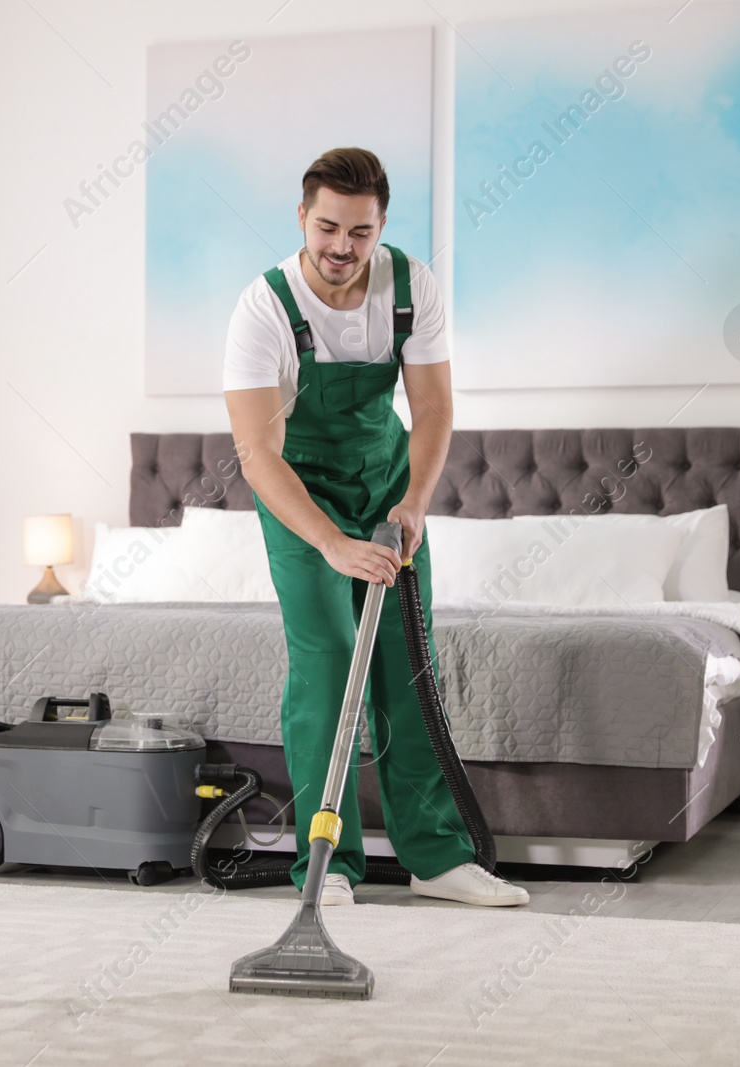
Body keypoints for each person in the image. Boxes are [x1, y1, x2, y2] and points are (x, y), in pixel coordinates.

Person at [223, 148, 527, 907]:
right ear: (303, 218)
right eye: (328, 227)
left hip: (388, 483)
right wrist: (331, 543)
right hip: (299, 493)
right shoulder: (264, 308)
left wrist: (414, 503)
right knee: (326, 661)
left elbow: (433, 411)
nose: (342, 247)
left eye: (360, 232)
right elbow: (257, 452)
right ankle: (328, 866)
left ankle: (434, 857)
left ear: (379, 225)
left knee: (404, 662)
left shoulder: (409, 286)